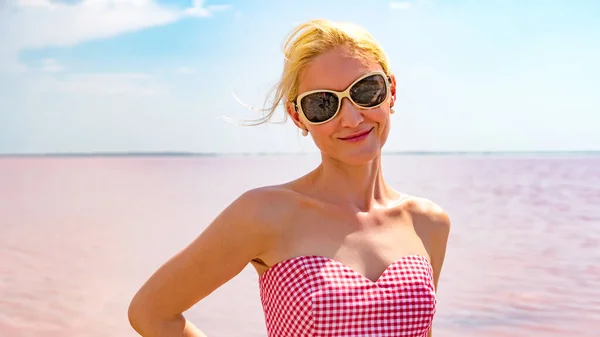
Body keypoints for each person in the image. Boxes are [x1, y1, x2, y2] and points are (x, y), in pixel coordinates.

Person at [127, 18, 451, 337]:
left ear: (390, 91)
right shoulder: (265, 212)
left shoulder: (428, 223)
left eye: (365, 91)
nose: (351, 119)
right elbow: (152, 313)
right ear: (299, 116)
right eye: (323, 103)